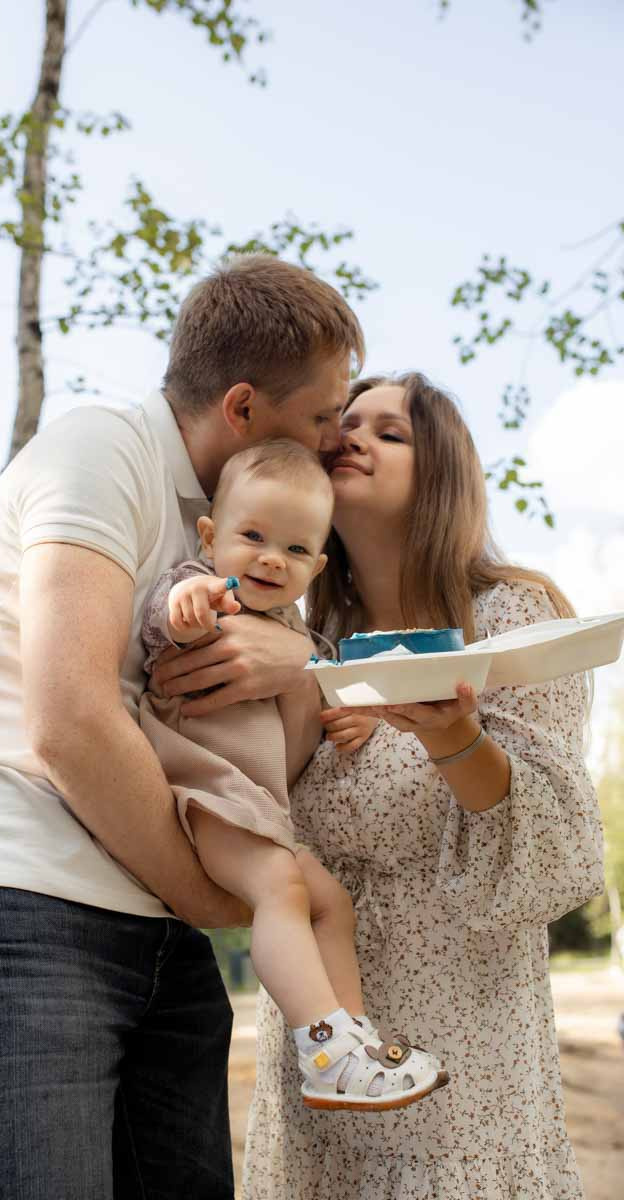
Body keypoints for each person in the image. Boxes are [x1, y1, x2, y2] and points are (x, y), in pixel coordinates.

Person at [0, 254, 363, 1200]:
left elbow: (267, 753)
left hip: (156, 930)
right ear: (239, 409)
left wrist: (304, 661)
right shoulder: (99, 452)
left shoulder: (237, 530)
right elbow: (68, 719)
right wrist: (215, 896)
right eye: (320, 416)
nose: (334, 440)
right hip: (17, 904)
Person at [233, 372, 605, 1198]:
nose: (353, 437)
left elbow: (546, 853)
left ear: (441, 474)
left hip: (467, 1050)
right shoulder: (297, 634)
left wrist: (453, 735)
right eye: (346, 423)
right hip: (326, 1053)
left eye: (390, 433)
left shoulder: (514, 616)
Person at [140, 437, 448, 1111]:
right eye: (252, 536)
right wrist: (191, 601)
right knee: (280, 886)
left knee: (330, 899)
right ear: (210, 534)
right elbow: (171, 625)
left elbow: (324, 687)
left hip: (255, 806)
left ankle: (354, 1043)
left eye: (296, 549)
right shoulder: (199, 587)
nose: (272, 558)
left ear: (318, 565)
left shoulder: (295, 630)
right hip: (203, 793)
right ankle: (326, 1050)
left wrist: (357, 715)